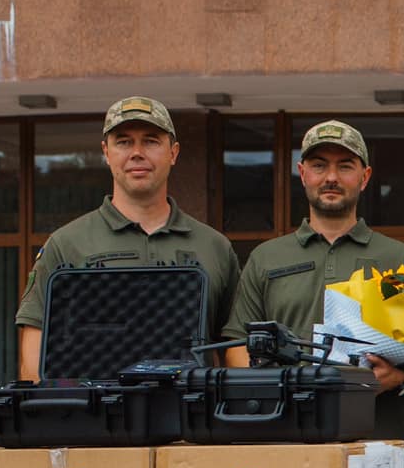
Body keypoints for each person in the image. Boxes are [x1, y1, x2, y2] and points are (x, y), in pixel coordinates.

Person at [221, 120, 404, 468]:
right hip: (284, 442)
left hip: (376, 445)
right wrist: (274, 388)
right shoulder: (267, 258)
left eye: (345, 166)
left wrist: (399, 378)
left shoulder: (398, 257)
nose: (331, 177)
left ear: (364, 177)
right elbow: (235, 345)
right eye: (319, 165)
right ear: (302, 173)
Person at [15, 96, 239, 378]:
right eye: (123, 141)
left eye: (151, 141)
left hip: (188, 418)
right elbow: (34, 357)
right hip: (96, 419)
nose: (137, 152)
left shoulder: (214, 246)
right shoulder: (66, 244)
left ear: (174, 152)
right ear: (106, 152)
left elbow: (234, 348)